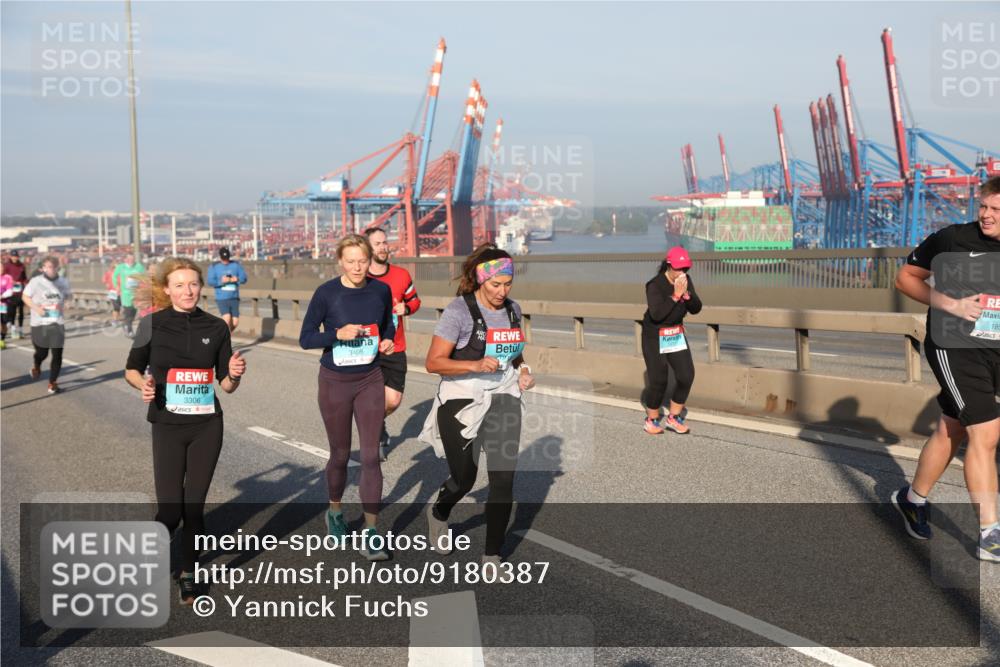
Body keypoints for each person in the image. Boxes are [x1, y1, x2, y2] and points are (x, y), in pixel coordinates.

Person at [124, 257, 246, 603]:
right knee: (170, 512)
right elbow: (131, 370)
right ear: (167, 289)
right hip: (167, 425)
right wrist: (144, 385)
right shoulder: (152, 324)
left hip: (207, 425)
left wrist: (234, 373)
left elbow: (226, 385)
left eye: (193, 284)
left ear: (201, 287)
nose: (188, 290)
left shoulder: (216, 327)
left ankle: (189, 573)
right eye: (179, 285)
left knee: (193, 507)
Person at [891, 176, 1000, 561]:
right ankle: (990, 534)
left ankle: (912, 500)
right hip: (954, 344)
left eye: (996, 210)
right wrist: (952, 304)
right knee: (986, 431)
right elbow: (905, 278)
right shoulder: (953, 239)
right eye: (983, 206)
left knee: (952, 427)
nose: (986, 215)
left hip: (994, 347)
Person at [420, 244, 536, 566]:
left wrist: (524, 371)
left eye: (508, 284)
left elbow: (515, 352)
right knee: (464, 479)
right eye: (496, 284)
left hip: (504, 396)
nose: (502, 291)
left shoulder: (512, 310)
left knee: (503, 481)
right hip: (462, 400)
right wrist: (474, 364)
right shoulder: (458, 311)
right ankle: (439, 512)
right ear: (481, 279)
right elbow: (433, 362)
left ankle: (492, 557)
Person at [299, 234, 395, 561]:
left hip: (370, 378)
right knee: (340, 455)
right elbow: (305, 338)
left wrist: (387, 341)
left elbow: (388, 325)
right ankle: (335, 511)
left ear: (370, 260)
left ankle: (371, 532)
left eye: (363, 261)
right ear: (340, 261)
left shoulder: (380, 290)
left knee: (370, 457)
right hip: (335, 381)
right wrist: (336, 334)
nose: (357, 267)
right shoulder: (326, 293)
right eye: (351, 261)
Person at [365, 227, 422, 461]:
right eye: (377, 244)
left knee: (393, 401)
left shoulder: (401, 275)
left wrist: (405, 308)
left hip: (395, 347)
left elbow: (415, 301)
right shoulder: (361, 278)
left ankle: (378, 423)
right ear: (367, 248)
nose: (383, 247)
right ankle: (374, 436)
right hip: (368, 349)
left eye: (384, 242)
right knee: (373, 398)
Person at [640, 246, 702, 435]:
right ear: (669, 265)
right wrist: (675, 296)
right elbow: (657, 315)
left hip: (675, 333)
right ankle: (651, 420)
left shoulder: (685, 281)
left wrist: (687, 295)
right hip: (654, 335)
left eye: (685, 268)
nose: (682, 271)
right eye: (678, 268)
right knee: (659, 379)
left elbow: (696, 308)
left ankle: (674, 417)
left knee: (686, 375)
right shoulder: (654, 285)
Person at [22, 256, 73, 394]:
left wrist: (68, 302)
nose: (51, 269)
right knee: (42, 353)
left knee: (57, 354)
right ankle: (37, 366)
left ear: (58, 268)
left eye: (54, 267)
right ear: (43, 268)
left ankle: (52, 382)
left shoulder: (63, 281)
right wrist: (37, 308)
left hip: (57, 322)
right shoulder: (35, 282)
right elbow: (25, 297)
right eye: (49, 267)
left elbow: (68, 295)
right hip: (39, 323)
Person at [205, 247, 248, 333]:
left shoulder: (236, 265)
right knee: (227, 318)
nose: (226, 261)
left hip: (234, 297)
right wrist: (221, 281)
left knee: (235, 322)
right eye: (224, 259)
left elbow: (244, 278)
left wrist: (237, 279)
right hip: (221, 298)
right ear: (220, 257)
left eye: (227, 258)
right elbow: (210, 281)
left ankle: (224, 335)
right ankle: (225, 337)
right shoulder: (214, 267)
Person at [112, 253, 146, 338]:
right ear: (125, 259)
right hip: (125, 293)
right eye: (129, 259)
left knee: (133, 311)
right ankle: (129, 329)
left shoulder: (139, 266)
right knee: (128, 311)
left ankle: (126, 325)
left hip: (136, 293)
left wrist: (143, 286)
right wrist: (117, 286)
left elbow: (145, 277)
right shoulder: (121, 267)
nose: (131, 261)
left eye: (133, 259)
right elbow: (114, 277)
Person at [3, 249, 29, 339]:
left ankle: (21, 329)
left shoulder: (22, 265)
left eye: (16, 256)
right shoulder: (7, 266)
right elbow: (3, 276)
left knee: (21, 310)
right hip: (11, 291)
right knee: (12, 311)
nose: (15, 258)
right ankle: (13, 328)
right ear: (10, 257)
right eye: (13, 256)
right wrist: (11, 281)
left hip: (20, 291)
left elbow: (24, 277)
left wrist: (26, 283)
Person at [103, 261, 121, 326]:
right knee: (116, 307)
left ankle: (117, 319)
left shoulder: (121, 273)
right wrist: (107, 284)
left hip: (121, 292)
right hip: (112, 292)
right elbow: (104, 280)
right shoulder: (109, 272)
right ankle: (115, 320)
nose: (116, 268)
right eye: (115, 266)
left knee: (119, 307)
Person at [0, 272, 14, 350]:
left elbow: (10, 291)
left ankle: (2, 340)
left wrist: (2, 296)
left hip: (4, 305)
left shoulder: (8, 277)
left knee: (3, 324)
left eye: (1, 267)